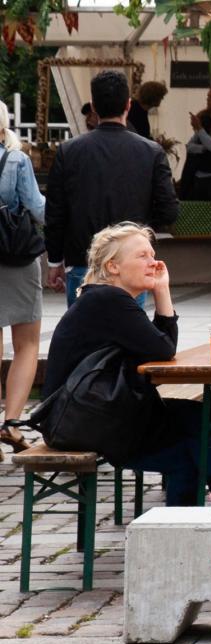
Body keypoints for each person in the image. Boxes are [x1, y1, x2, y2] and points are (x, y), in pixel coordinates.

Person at [44, 223, 211, 506]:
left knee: (192, 418)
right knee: (192, 432)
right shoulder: (109, 299)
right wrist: (162, 292)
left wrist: (161, 290)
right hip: (81, 420)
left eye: (152, 254)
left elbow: (158, 348)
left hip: (84, 413)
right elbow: (163, 349)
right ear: (113, 267)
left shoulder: (104, 298)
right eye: (142, 256)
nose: (154, 263)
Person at [45, 70, 179, 308]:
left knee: (85, 339)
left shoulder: (69, 152)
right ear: (128, 104)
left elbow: (55, 213)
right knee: (129, 337)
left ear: (94, 107)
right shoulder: (151, 152)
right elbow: (169, 211)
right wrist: (142, 227)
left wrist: (55, 262)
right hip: (131, 265)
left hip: (84, 261)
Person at [0, 102, 44, 459]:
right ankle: (10, 423)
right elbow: (38, 208)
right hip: (14, 259)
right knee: (27, 343)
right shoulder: (15, 161)